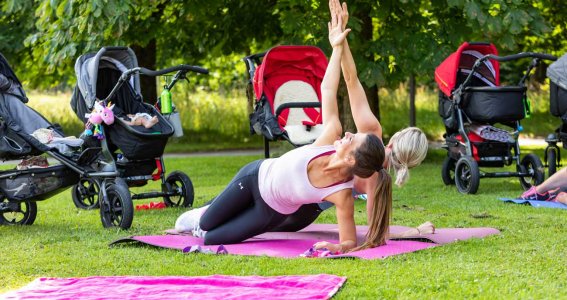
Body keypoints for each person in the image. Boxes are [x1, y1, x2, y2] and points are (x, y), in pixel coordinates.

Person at [176, 6, 388, 253]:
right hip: (255, 178)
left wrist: (338, 246)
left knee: (211, 239)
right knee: (203, 224)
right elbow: (328, 90)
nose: (349, 134)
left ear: (351, 157)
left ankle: (214, 216)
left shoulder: (341, 194)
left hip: (271, 211)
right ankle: (205, 213)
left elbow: (349, 241)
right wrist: (337, 48)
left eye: (353, 139)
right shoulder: (330, 136)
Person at [267, 0, 429, 233]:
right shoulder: (380, 182)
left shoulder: (371, 131)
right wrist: (415, 231)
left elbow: (351, 80)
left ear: (394, 140)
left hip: (290, 185)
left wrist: (341, 41)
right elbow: (376, 230)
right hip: (303, 212)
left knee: (238, 210)